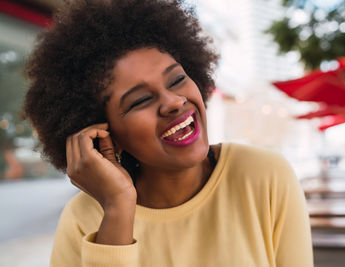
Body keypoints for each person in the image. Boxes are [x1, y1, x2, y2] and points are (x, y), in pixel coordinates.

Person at [23, 0, 313, 266]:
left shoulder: (264, 176)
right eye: (140, 100)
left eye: (176, 79)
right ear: (105, 133)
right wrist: (118, 209)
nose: (174, 102)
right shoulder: (84, 219)